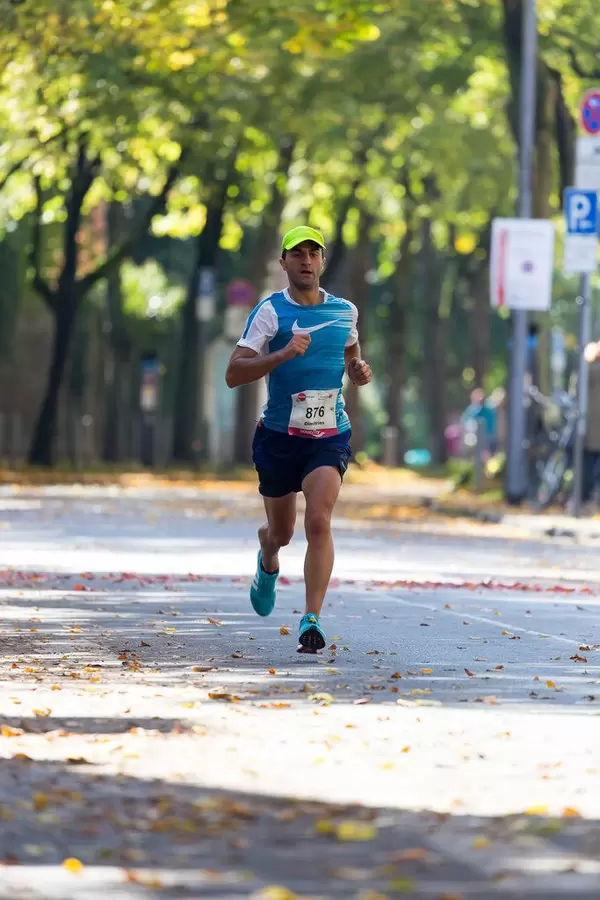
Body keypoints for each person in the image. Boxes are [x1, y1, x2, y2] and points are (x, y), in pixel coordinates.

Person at [225, 226, 372, 652]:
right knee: (282, 532)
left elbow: (351, 354)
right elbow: (234, 373)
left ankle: (312, 618)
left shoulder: (345, 312)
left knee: (319, 520)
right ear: (284, 262)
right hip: (278, 437)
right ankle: (267, 556)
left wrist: (358, 371)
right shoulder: (271, 313)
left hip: (328, 435)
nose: (306, 260)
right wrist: (283, 353)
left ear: (322, 260)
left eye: (313, 253)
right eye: (297, 253)